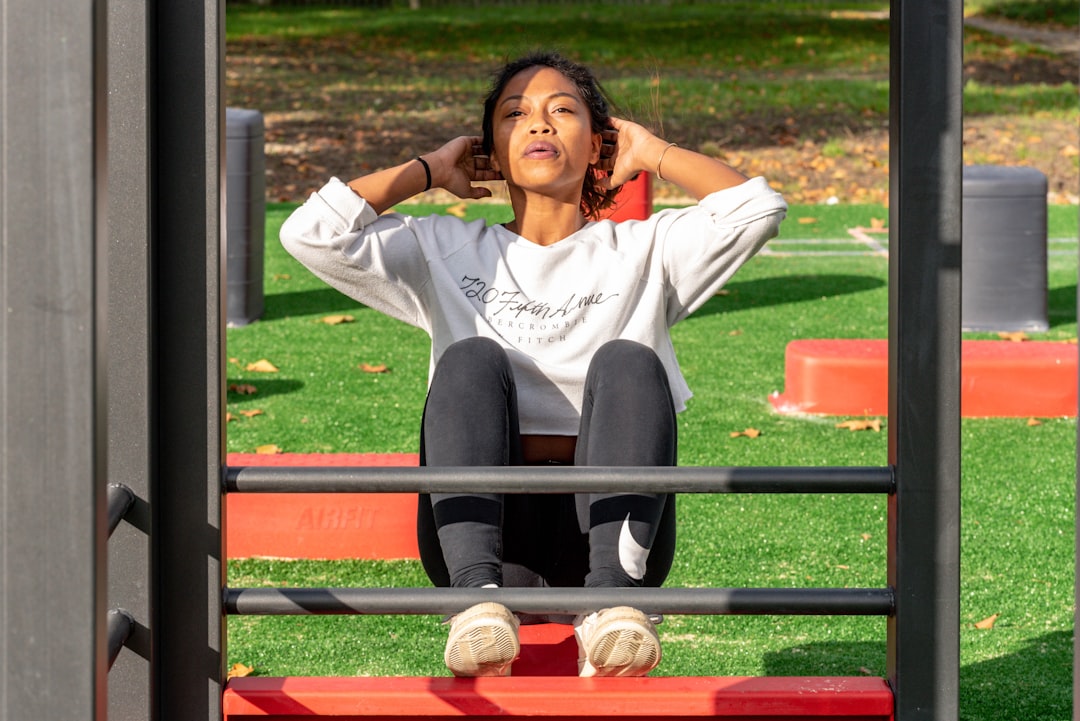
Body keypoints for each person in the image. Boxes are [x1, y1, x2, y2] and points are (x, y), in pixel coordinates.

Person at [280, 51, 787, 678]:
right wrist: (429, 169)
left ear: (599, 144)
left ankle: (612, 606)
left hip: (613, 532)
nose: (539, 124)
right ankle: (475, 604)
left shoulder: (648, 247)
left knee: (630, 360)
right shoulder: (443, 246)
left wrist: (650, 150)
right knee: (468, 360)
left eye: (562, 112)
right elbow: (310, 233)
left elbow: (757, 208)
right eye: (515, 114)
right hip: (485, 539)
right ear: (489, 148)